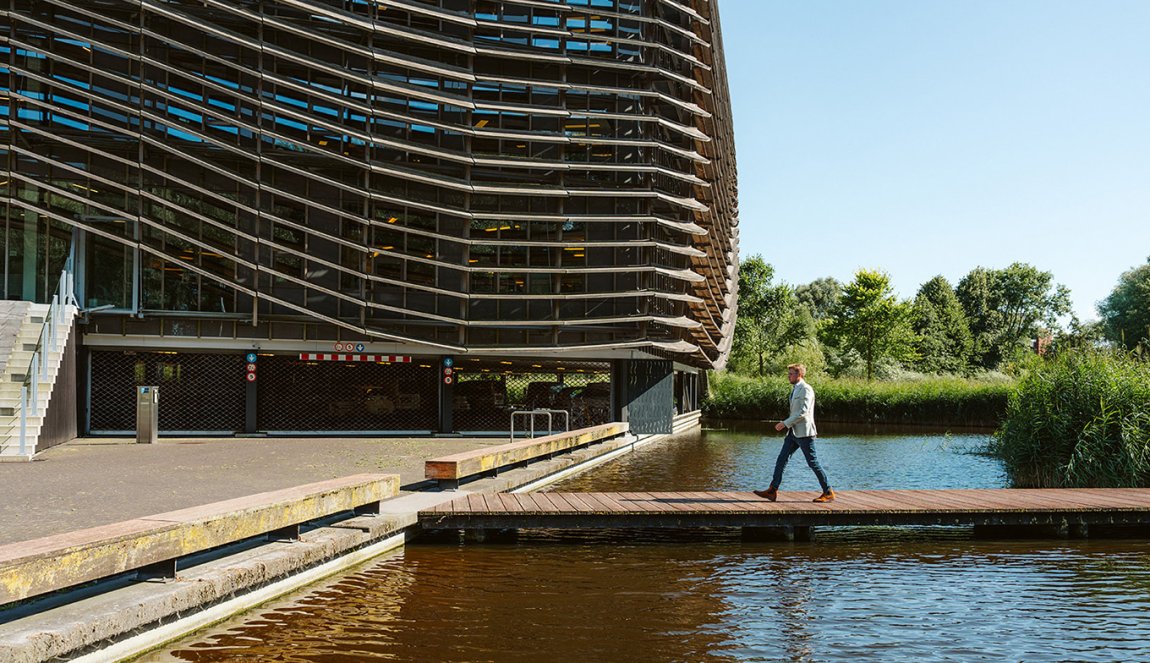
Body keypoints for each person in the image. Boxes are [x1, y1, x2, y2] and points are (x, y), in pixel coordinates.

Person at [754, 364, 835, 503]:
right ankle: (772, 490)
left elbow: (803, 412)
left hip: (804, 433)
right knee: (781, 459)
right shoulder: (796, 389)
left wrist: (785, 423)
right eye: (789, 373)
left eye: (791, 374)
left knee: (812, 463)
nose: (788, 376)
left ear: (799, 375)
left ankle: (828, 492)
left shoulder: (806, 389)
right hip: (793, 433)